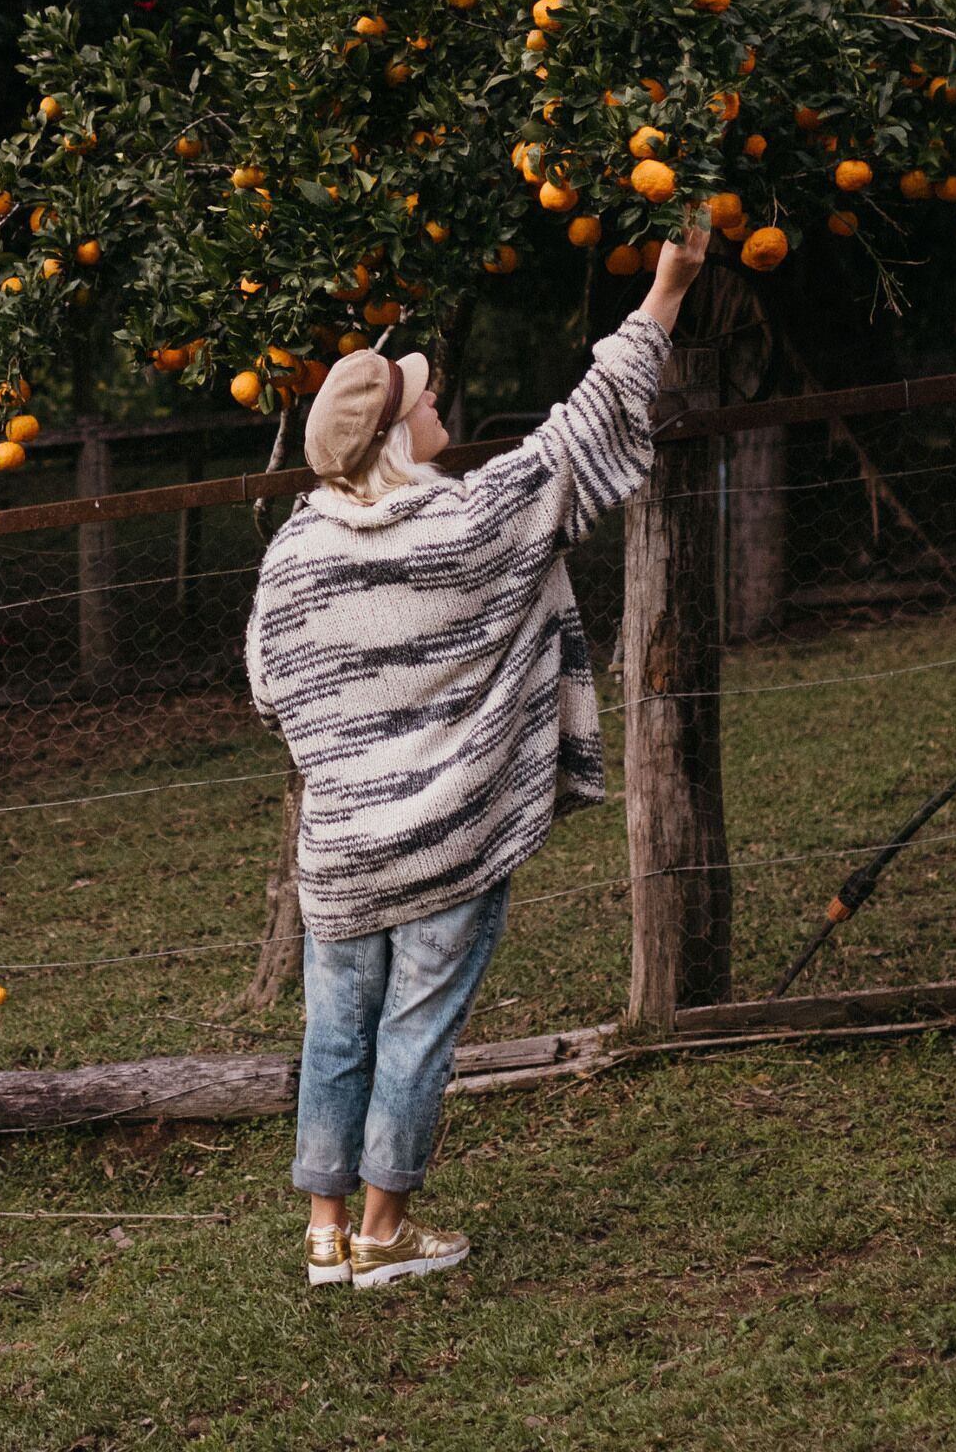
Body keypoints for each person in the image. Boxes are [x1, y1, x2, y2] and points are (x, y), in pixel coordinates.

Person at [245, 224, 708, 1289]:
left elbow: (273, 695)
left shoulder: (293, 556)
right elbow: (582, 430)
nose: (438, 406)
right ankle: (385, 1231)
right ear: (399, 435)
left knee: (336, 1032)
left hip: (343, 851)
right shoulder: (468, 524)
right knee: (414, 1034)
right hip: (448, 841)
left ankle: (323, 1236)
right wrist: (667, 291)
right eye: (423, 401)